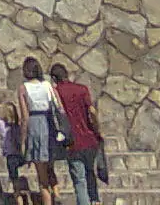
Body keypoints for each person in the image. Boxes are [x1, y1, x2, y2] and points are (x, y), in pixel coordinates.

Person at [51, 62, 104, 205]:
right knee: (90, 173)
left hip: (73, 142)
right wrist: (97, 130)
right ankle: (95, 201)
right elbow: (92, 111)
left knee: (79, 180)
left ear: (54, 78)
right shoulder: (82, 89)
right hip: (89, 139)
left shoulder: (56, 92)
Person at [18, 56, 62, 205]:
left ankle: (48, 201)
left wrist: (22, 140)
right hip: (49, 124)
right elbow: (59, 107)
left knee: (41, 176)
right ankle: (56, 192)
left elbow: (24, 117)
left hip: (35, 126)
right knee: (50, 164)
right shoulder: (48, 85)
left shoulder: (23, 88)